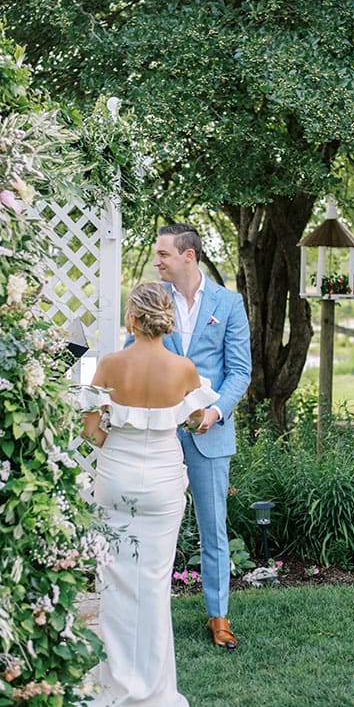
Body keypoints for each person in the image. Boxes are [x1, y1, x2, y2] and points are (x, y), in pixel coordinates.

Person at [75, 282, 219, 707]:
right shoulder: (184, 369)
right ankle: (154, 691)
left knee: (115, 582)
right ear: (165, 318)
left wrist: (118, 436)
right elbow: (197, 423)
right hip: (162, 482)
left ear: (132, 319)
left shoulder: (108, 366)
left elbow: (91, 433)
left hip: (116, 478)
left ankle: (117, 685)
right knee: (154, 584)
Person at [138, 223, 251, 650]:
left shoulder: (229, 303)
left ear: (188, 256)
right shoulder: (153, 301)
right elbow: (138, 354)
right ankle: (150, 612)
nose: (157, 261)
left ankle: (218, 617)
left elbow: (240, 370)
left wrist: (216, 411)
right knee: (153, 522)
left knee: (212, 527)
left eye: (163, 254)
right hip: (160, 433)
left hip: (210, 433)